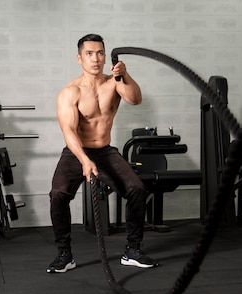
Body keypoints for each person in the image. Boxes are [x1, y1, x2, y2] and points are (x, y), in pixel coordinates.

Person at [47, 33, 158, 273]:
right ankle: (65, 255)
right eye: (89, 53)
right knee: (58, 195)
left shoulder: (114, 82)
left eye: (99, 53)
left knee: (136, 189)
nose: (95, 59)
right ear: (79, 58)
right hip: (76, 152)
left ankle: (132, 251)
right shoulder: (71, 92)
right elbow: (69, 132)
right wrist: (84, 160)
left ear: (105, 56)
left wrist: (124, 74)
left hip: (105, 152)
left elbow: (136, 99)